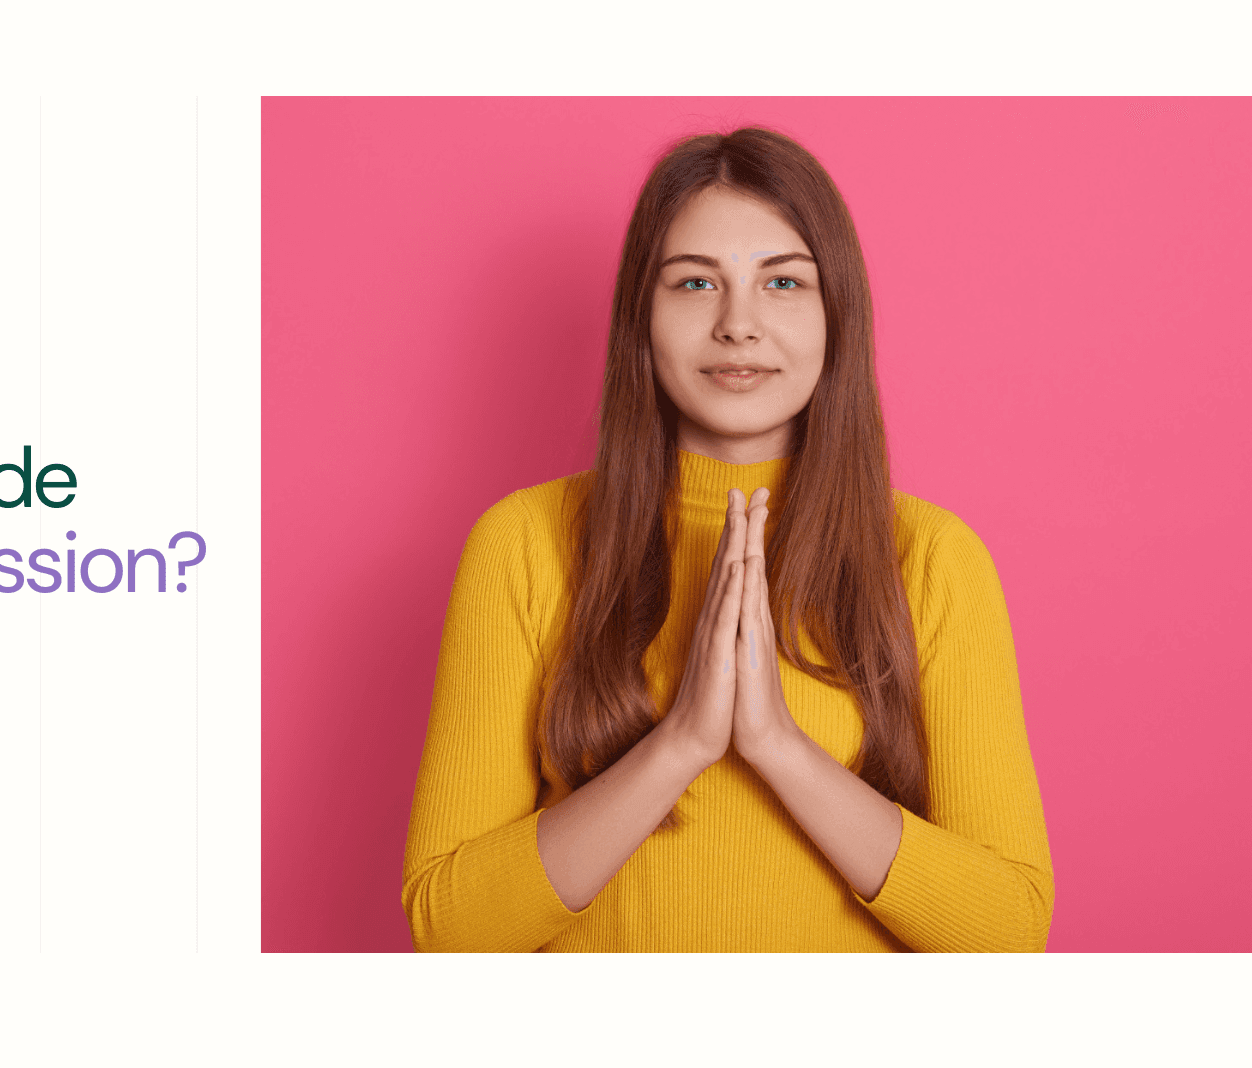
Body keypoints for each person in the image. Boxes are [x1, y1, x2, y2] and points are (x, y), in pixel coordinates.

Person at [401, 128, 1053, 952]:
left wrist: (778, 746)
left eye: (782, 281)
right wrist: (680, 744)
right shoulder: (524, 546)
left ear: (836, 312)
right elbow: (452, 929)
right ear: (643, 311)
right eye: (695, 282)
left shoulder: (931, 559)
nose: (738, 324)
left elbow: (1008, 930)